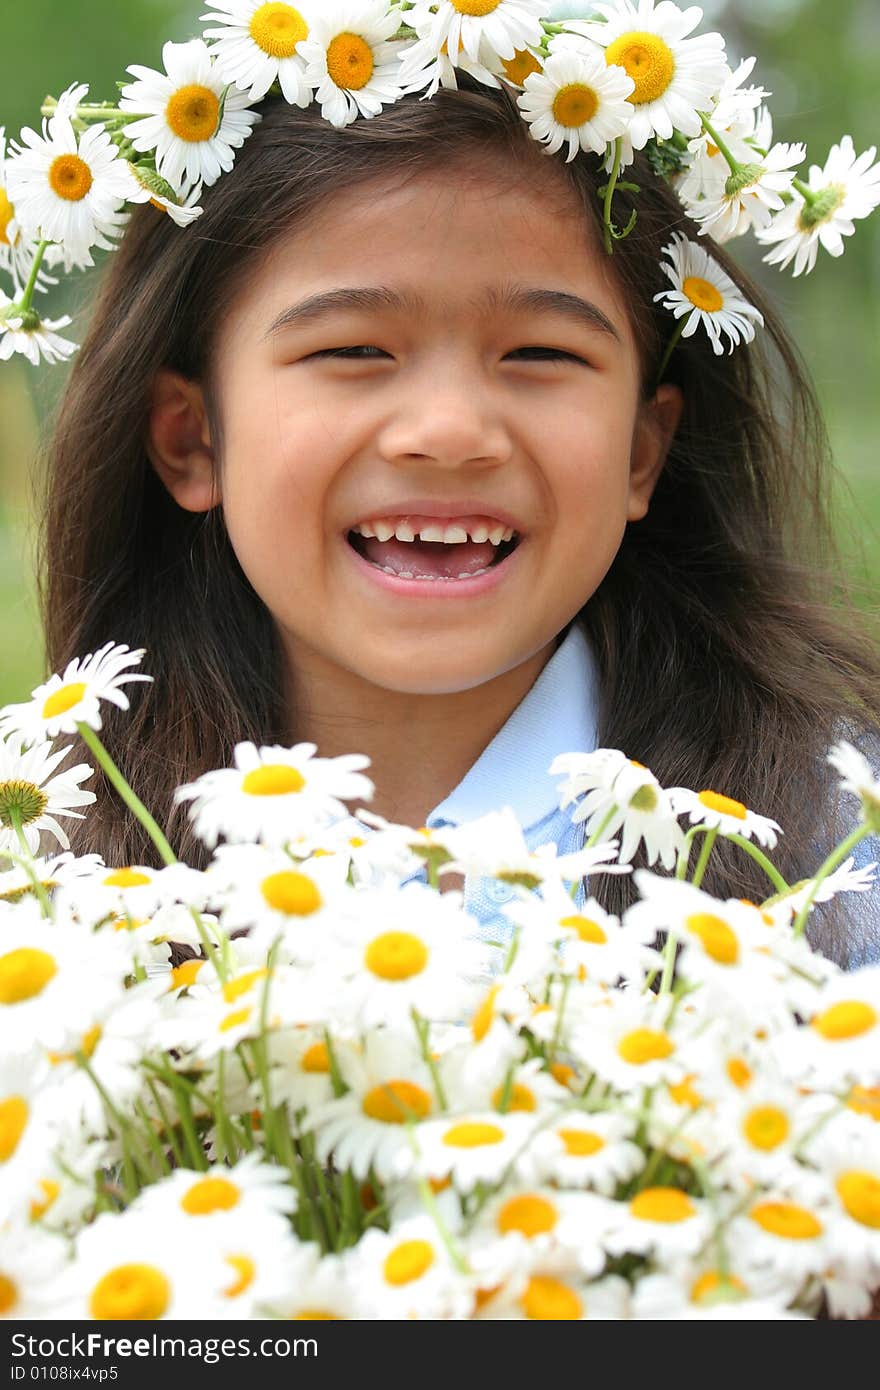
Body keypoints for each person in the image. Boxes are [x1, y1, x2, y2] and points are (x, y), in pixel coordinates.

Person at [30, 43, 880, 972]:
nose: (449, 432)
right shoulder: (44, 895)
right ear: (193, 439)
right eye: (353, 351)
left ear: (644, 451)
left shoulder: (840, 862)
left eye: (541, 355)